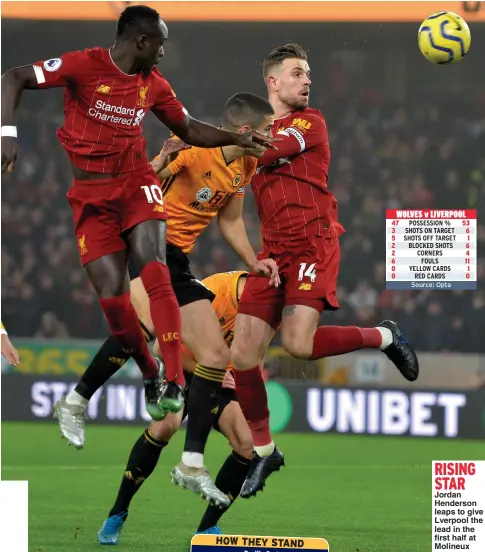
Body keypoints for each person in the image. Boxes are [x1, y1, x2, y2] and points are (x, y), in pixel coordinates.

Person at [0, 5, 274, 422]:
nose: (165, 53)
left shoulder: (155, 85)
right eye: (161, 44)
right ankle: (149, 374)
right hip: (91, 194)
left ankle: (173, 376)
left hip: (135, 181)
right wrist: (7, 133)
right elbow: (13, 76)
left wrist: (237, 138)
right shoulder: (84, 65)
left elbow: (190, 128)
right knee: (115, 305)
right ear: (141, 41)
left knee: (156, 267)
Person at [53, 92, 278, 505]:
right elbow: (137, 191)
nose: (270, 138)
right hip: (147, 240)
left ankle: (190, 463)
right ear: (245, 131)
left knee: (211, 354)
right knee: (142, 327)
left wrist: (255, 260)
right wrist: (157, 163)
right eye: (266, 131)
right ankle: (76, 400)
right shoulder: (192, 153)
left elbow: (230, 221)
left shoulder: (244, 165)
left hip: (177, 258)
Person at [230, 43, 420, 498]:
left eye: (308, 74)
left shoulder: (308, 123)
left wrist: (216, 138)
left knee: (297, 345)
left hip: (314, 244)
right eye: (297, 73)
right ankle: (265, 451)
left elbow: (267, 151)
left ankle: (385, 336)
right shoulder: (249, 131)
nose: (307, 80)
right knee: (242, 356)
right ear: (272, 82)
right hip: (274, 252)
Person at [97, 271, 254, 545]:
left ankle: (206, 529)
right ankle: (117, 513)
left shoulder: (263, 316)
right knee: (165, 427)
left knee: (246, 444)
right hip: (183, 372)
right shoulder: (212, 292)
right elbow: (160, 347)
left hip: (217, 381)